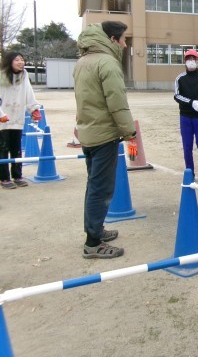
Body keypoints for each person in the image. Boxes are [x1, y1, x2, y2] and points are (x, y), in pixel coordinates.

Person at [73, 21, 135, 259]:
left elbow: (84, 99)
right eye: (123, 39)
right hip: (103, 135)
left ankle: (95, 230)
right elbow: (117, 102)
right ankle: (92, 243)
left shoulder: (83, 61)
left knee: (93, 186)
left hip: (89, 133)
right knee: (101, 189)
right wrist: (129, 132)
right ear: (112, 40)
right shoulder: (107, 62)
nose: (125, 44)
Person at [0, 51, 41, 189]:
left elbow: (29, 92)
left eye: (22, 59)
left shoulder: (24, 75)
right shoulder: (1, 75)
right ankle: (4, 178)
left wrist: (34, 109)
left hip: (17, 117)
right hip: (2, 120)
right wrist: (1, 114)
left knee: (16, 148)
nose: (21, 62)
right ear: (9, 61)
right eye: (17, 60)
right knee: (3, 149)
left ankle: (17, 175)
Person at [173, 49, 198, 182]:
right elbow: (176, 95)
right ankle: (190, 171)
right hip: (185, 117)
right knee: (187, 146)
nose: (191, 61)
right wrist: (191, 102)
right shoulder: (180, 78)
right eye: (188, 59)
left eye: (193, 59)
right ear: (184, 61)